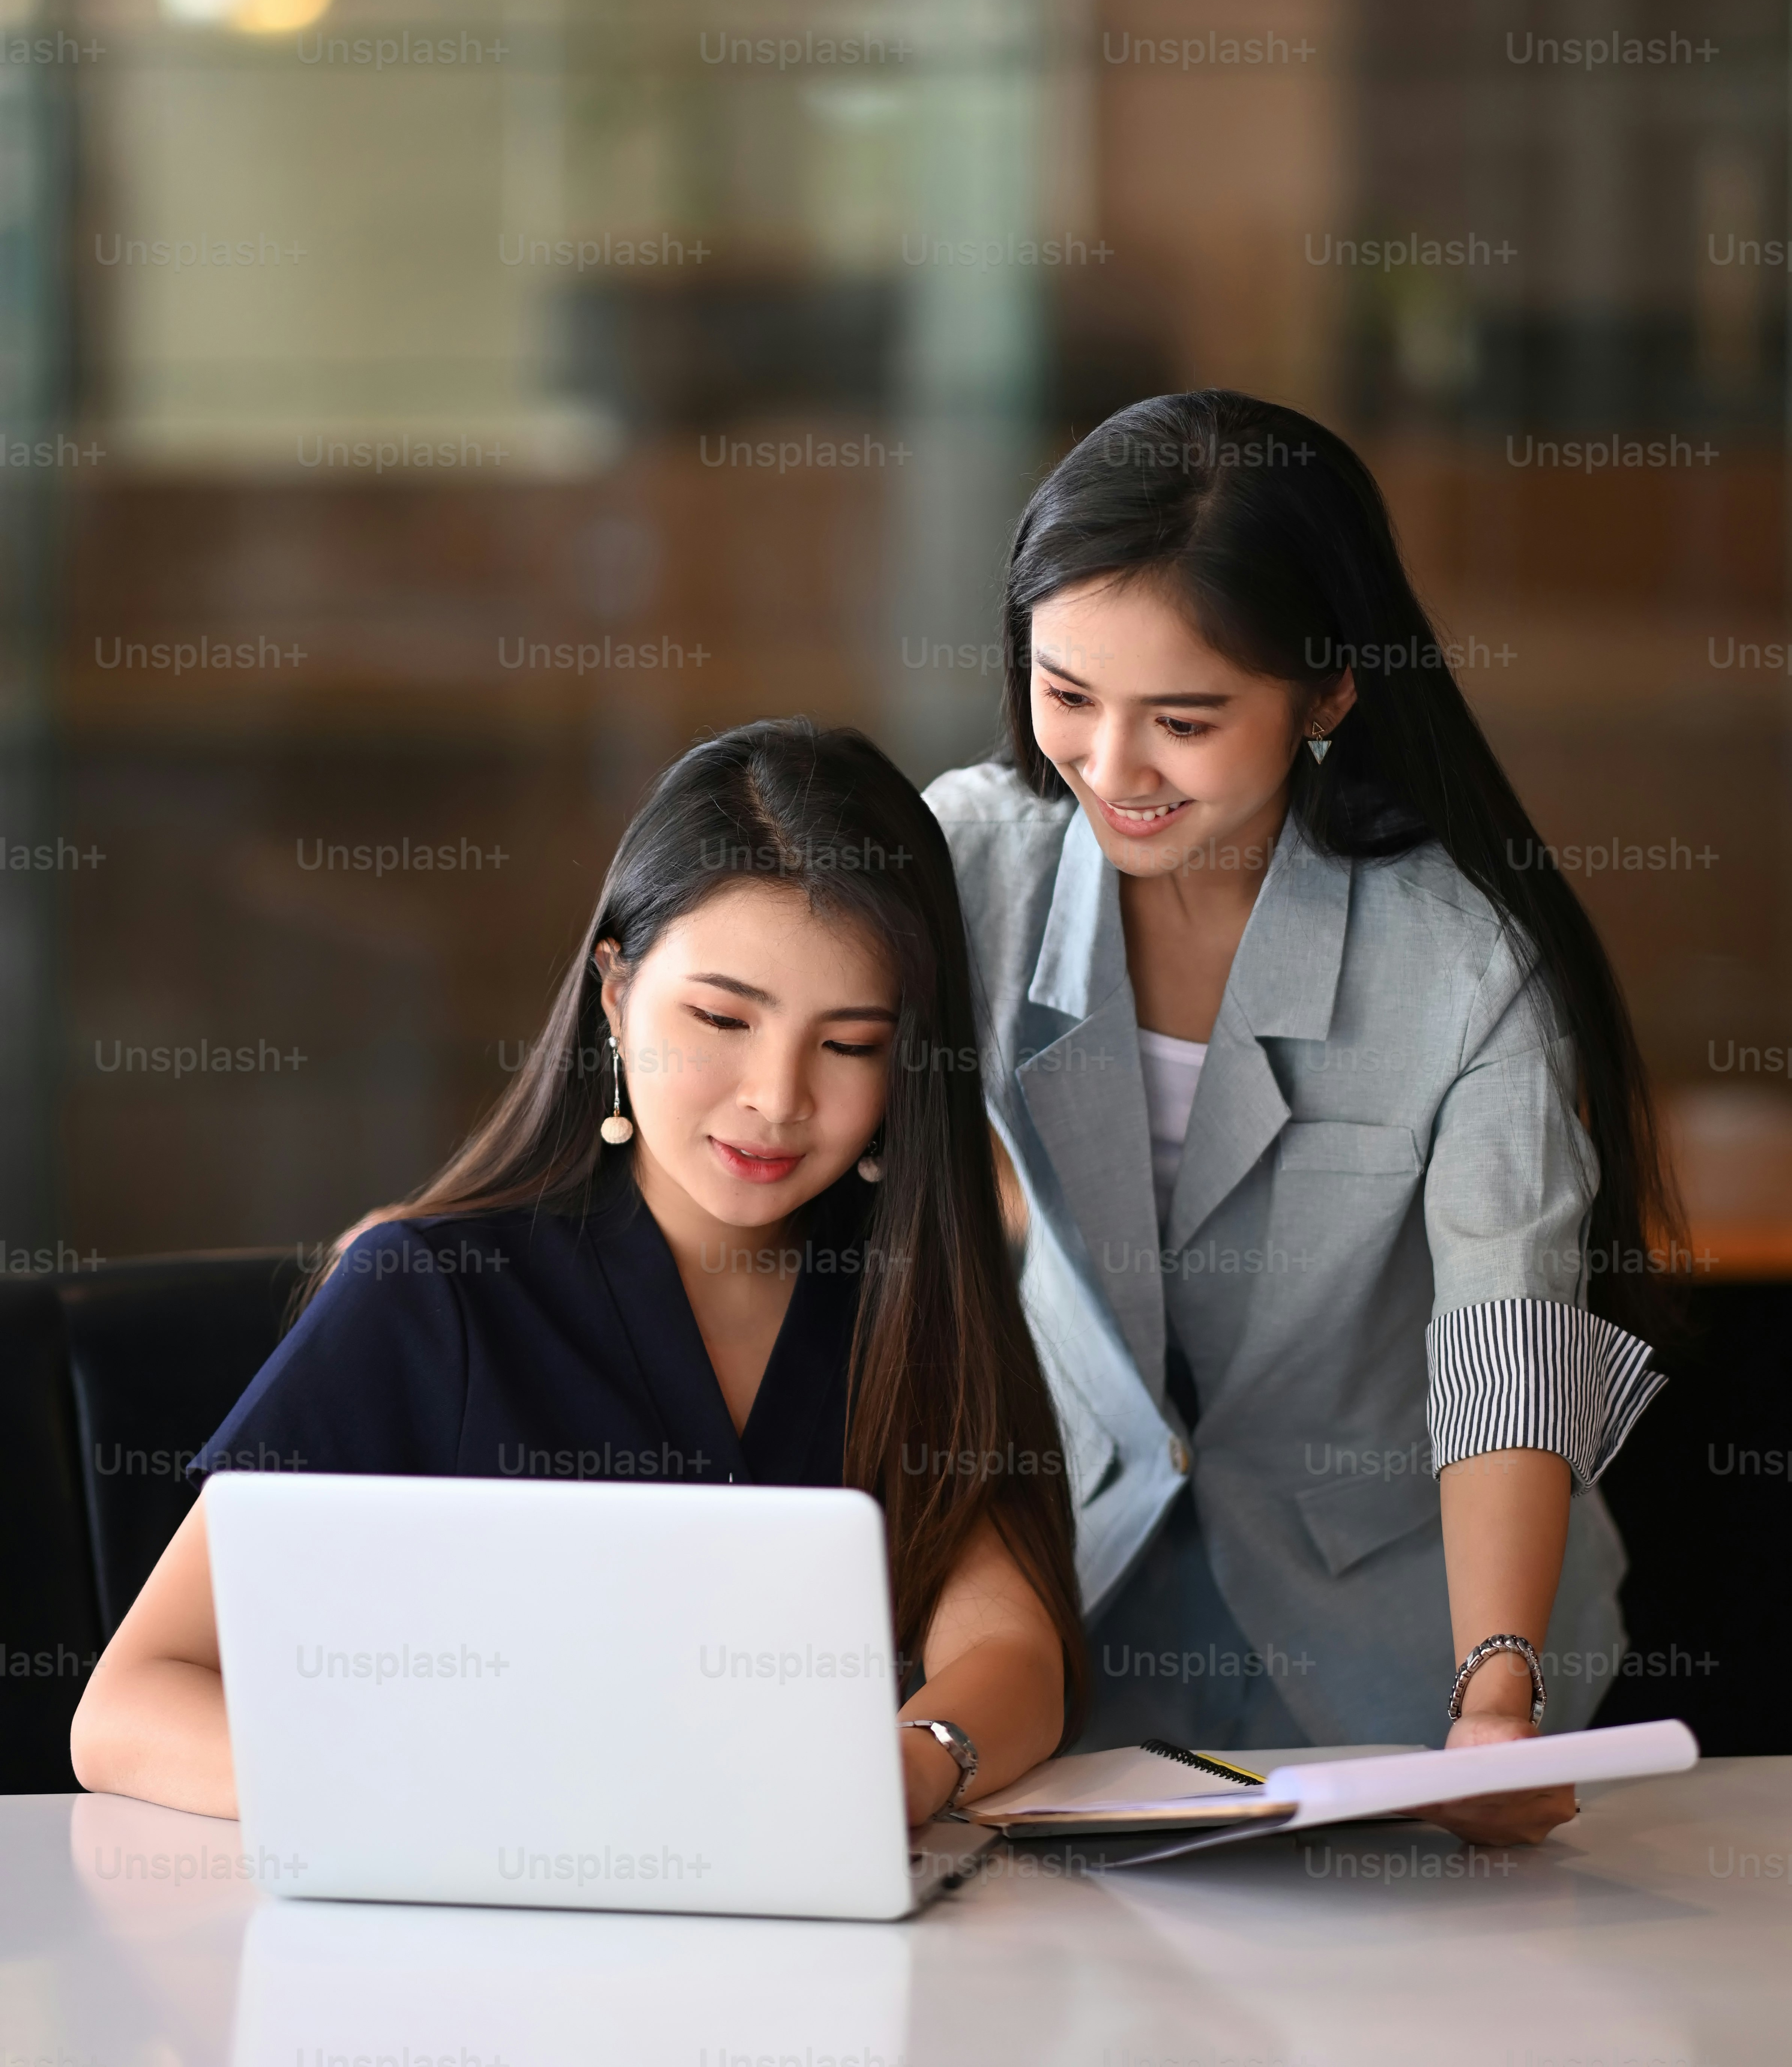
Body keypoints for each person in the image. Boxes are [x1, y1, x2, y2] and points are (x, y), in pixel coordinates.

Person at [71, 720, 1084, 1828]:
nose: (777, 1097)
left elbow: (1009, 1650)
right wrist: (476, 1810)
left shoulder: (905, 1301)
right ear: (614, 991)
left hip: (797, 1949)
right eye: (720, 1019)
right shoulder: (430, 1293)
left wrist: (910, 1765)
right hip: (473, 1948)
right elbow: (130, 1709)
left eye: (849, 1045)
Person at [925, 389, 1679, 1846]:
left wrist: (1495, 1688)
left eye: (1184, 721)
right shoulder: (963, 864)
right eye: (1066, 691)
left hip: (1411, 1627)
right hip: (1071, 1600)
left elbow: (1503, 1333)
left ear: (1327, 692)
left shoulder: (1461, 965)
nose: (1111, 768)